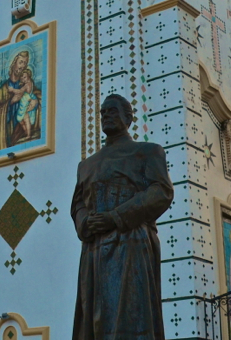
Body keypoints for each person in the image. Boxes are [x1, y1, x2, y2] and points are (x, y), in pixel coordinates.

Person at [72, 94, 173, 340]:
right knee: (94, 320)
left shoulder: (147, 152)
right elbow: (77, 204)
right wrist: (85, 222)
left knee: (131, 316)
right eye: (103, 112)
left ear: (128, 118)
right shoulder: (86, 165)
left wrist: (116, 216)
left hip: (131, 243)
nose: (106, 115)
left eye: (112, 111)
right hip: (94, 249)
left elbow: (161, 191)